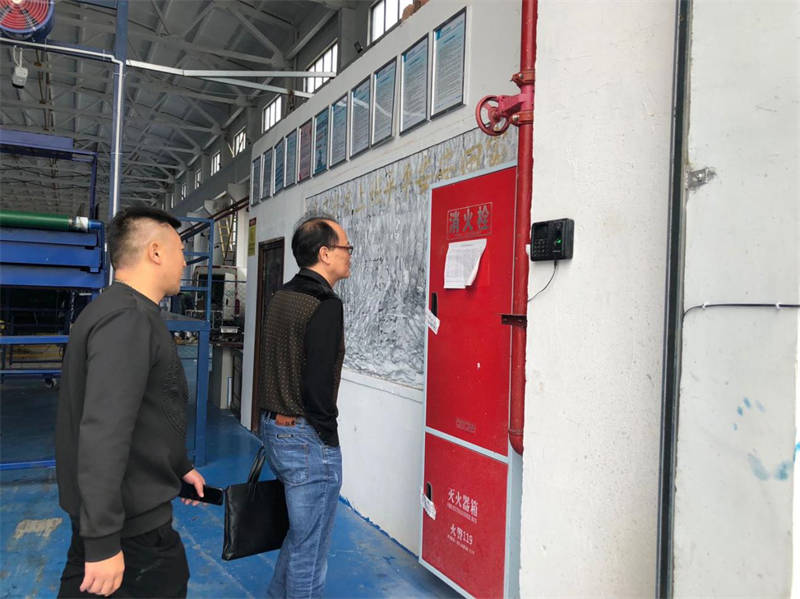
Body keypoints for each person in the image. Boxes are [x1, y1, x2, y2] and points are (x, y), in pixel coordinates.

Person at [55, 206, 207, 598]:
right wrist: (103, 541)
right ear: (155, 252)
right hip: (131, 533)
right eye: (179, 250)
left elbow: (148, 410)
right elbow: (104, 431)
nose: (184, 262)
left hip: (123, 519)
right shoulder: (128, 319)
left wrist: (179, 466)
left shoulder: (119, 310)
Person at [259, 216, 352, 598]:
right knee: (310, 554)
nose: (349, 255)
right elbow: (317, 386)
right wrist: (328, 439)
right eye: (345, 248)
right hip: (306, 439)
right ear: (325, 253)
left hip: (274, 431)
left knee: (301, 539)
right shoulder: (324, 304)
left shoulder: (282, 296)